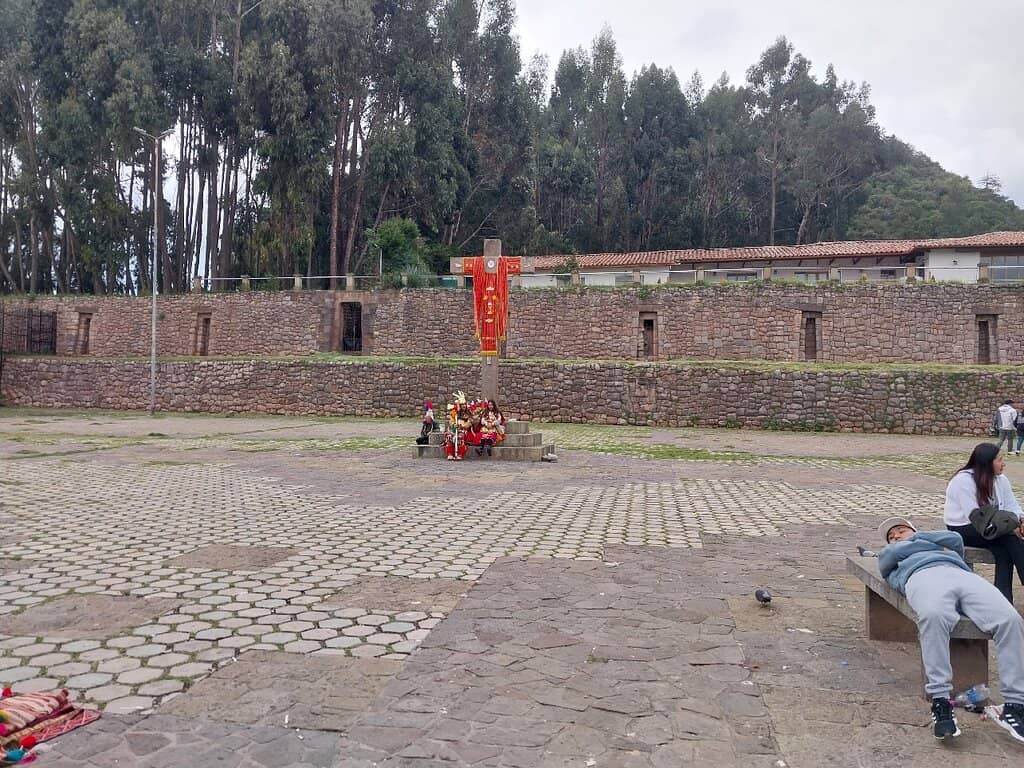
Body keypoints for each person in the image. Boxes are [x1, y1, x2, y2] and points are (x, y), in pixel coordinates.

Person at [878, 517, 1024, 743]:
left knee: (1009, 619)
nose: (896, 536)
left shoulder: (934, 541)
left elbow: (955, 538)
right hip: (921, 577)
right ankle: (941, 701)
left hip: (961, 575)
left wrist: (916, 538)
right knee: (934, 617)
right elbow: (886, 559)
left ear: (915, 530)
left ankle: (1015, 705)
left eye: (900, 530)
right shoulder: (894, 554)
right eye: (891, 537)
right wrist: (909, 543)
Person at [945, 443, 1024, 602]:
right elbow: (976, 516)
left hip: (995, 527)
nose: (1004, 464)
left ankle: (1003, 601)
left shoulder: (1001, 480)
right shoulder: (963, 481)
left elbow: (1012, 506)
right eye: (999, 460)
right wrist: (1011, 525)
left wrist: (1021, 521)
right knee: (1010, 539)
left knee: (1004, 551)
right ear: (987, 462)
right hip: (964, 527)